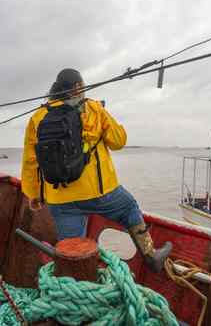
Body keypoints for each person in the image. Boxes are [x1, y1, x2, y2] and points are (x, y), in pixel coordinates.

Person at [21, 68, 172, 273]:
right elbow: (119, 141)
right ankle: (151, 256)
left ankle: (75, 285)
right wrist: (105, 114)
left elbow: (31, 160)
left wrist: (35, 194)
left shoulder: (38, 116)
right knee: (129, 207)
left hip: (59, 198)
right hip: (98, 193)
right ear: (77, 87)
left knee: (72, 252)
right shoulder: (92, 108)